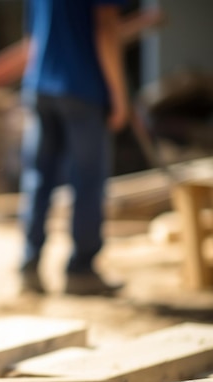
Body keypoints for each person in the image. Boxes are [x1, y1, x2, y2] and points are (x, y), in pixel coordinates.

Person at [17, 0, 129, 295]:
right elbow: (106, 29)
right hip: (83, 87)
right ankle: (81, 270)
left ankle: (29, 263)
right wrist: (119, 95)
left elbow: (34, 37)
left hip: (40, 85)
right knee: (88, 181)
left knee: (38, 178)